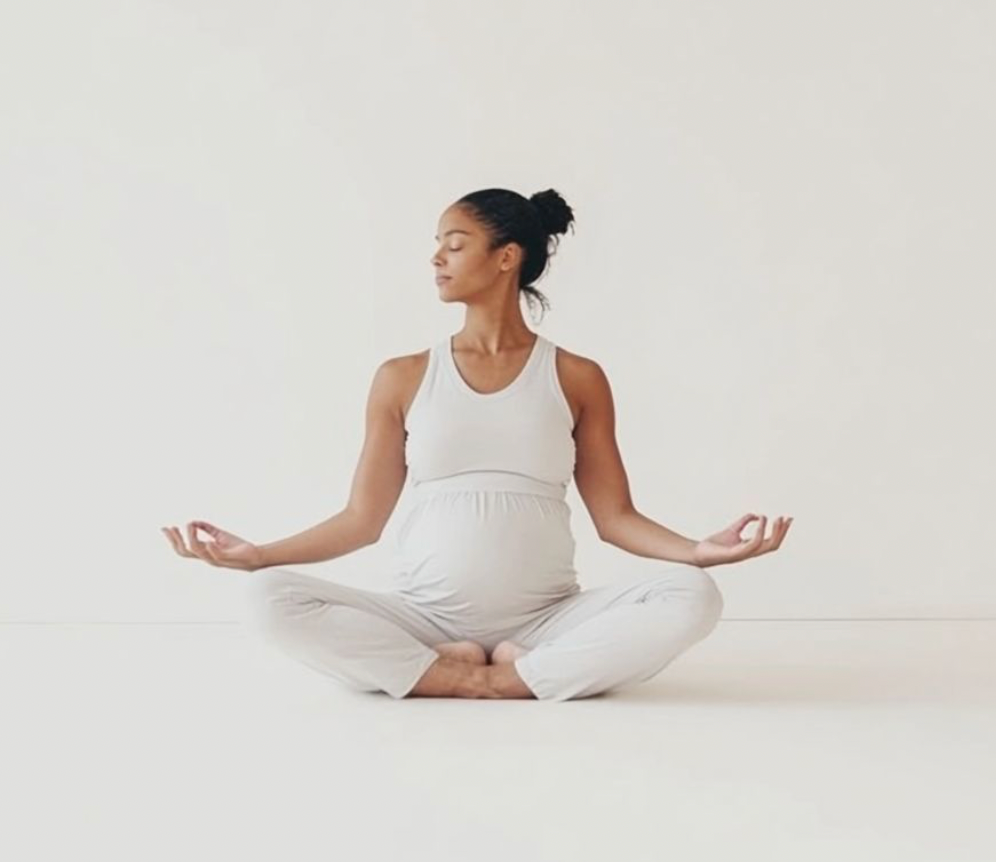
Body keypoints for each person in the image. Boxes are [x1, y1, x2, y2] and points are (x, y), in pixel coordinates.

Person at [161, 187, 793, 702]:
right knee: (267, 599)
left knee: (693, 595)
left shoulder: (576, 376)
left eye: (454, 244)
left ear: (506, 257)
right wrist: (260, 554)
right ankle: (481, 672)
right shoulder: (402, 377)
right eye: (436, 245)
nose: (436, 258)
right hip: (424, 621)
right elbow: (362, 519)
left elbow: (615, 517)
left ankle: (497, 670)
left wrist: (697, 551)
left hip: (549, 618)